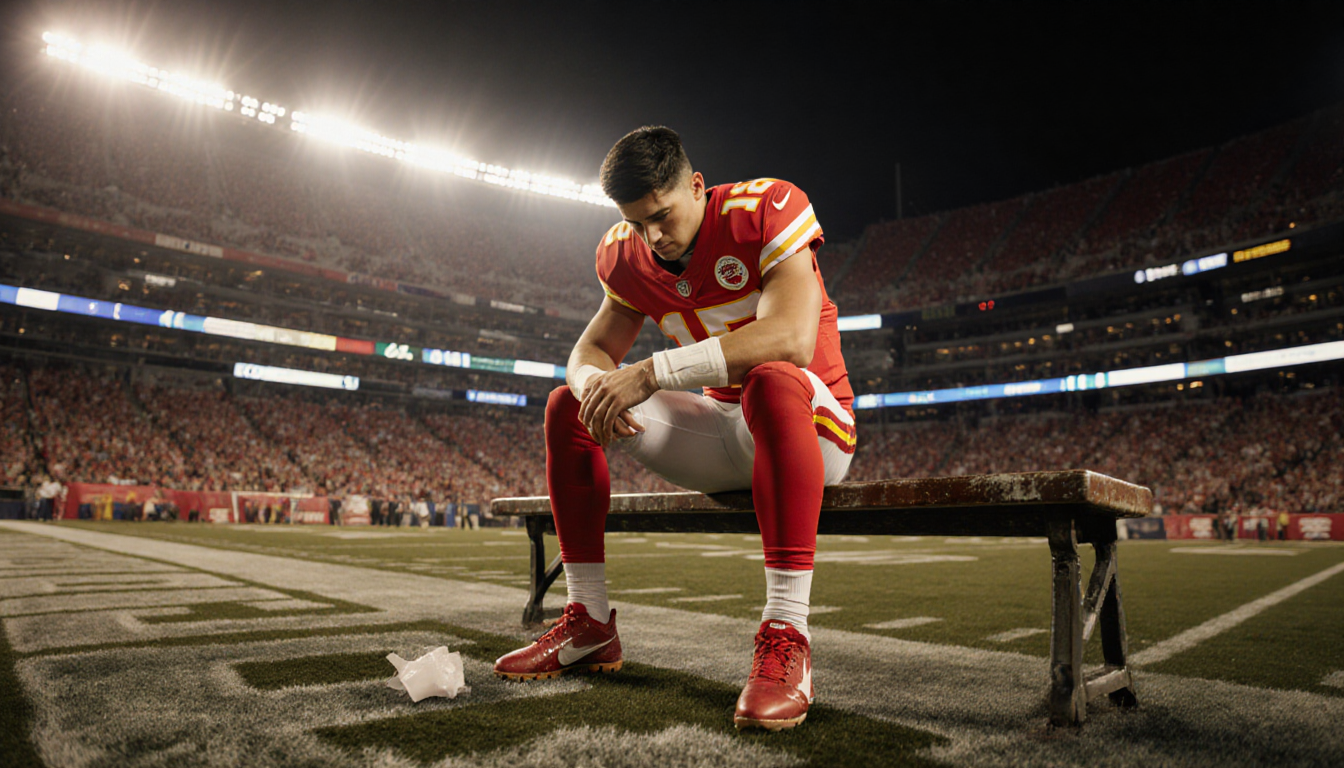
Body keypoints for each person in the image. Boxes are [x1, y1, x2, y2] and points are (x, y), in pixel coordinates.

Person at [493, 126, 856, 731]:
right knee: (568, 405)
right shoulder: (625, 253)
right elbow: (588, 354)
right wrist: (598, 387)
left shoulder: (765, 209)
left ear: (696, 187)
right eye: (636, 223)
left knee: (770, 381)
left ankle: (787, 634)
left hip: (810, 424)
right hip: (723, 428)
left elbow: (792, 339)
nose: (652, 237)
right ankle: (589, 621)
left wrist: (650, 372)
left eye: (661, 216)